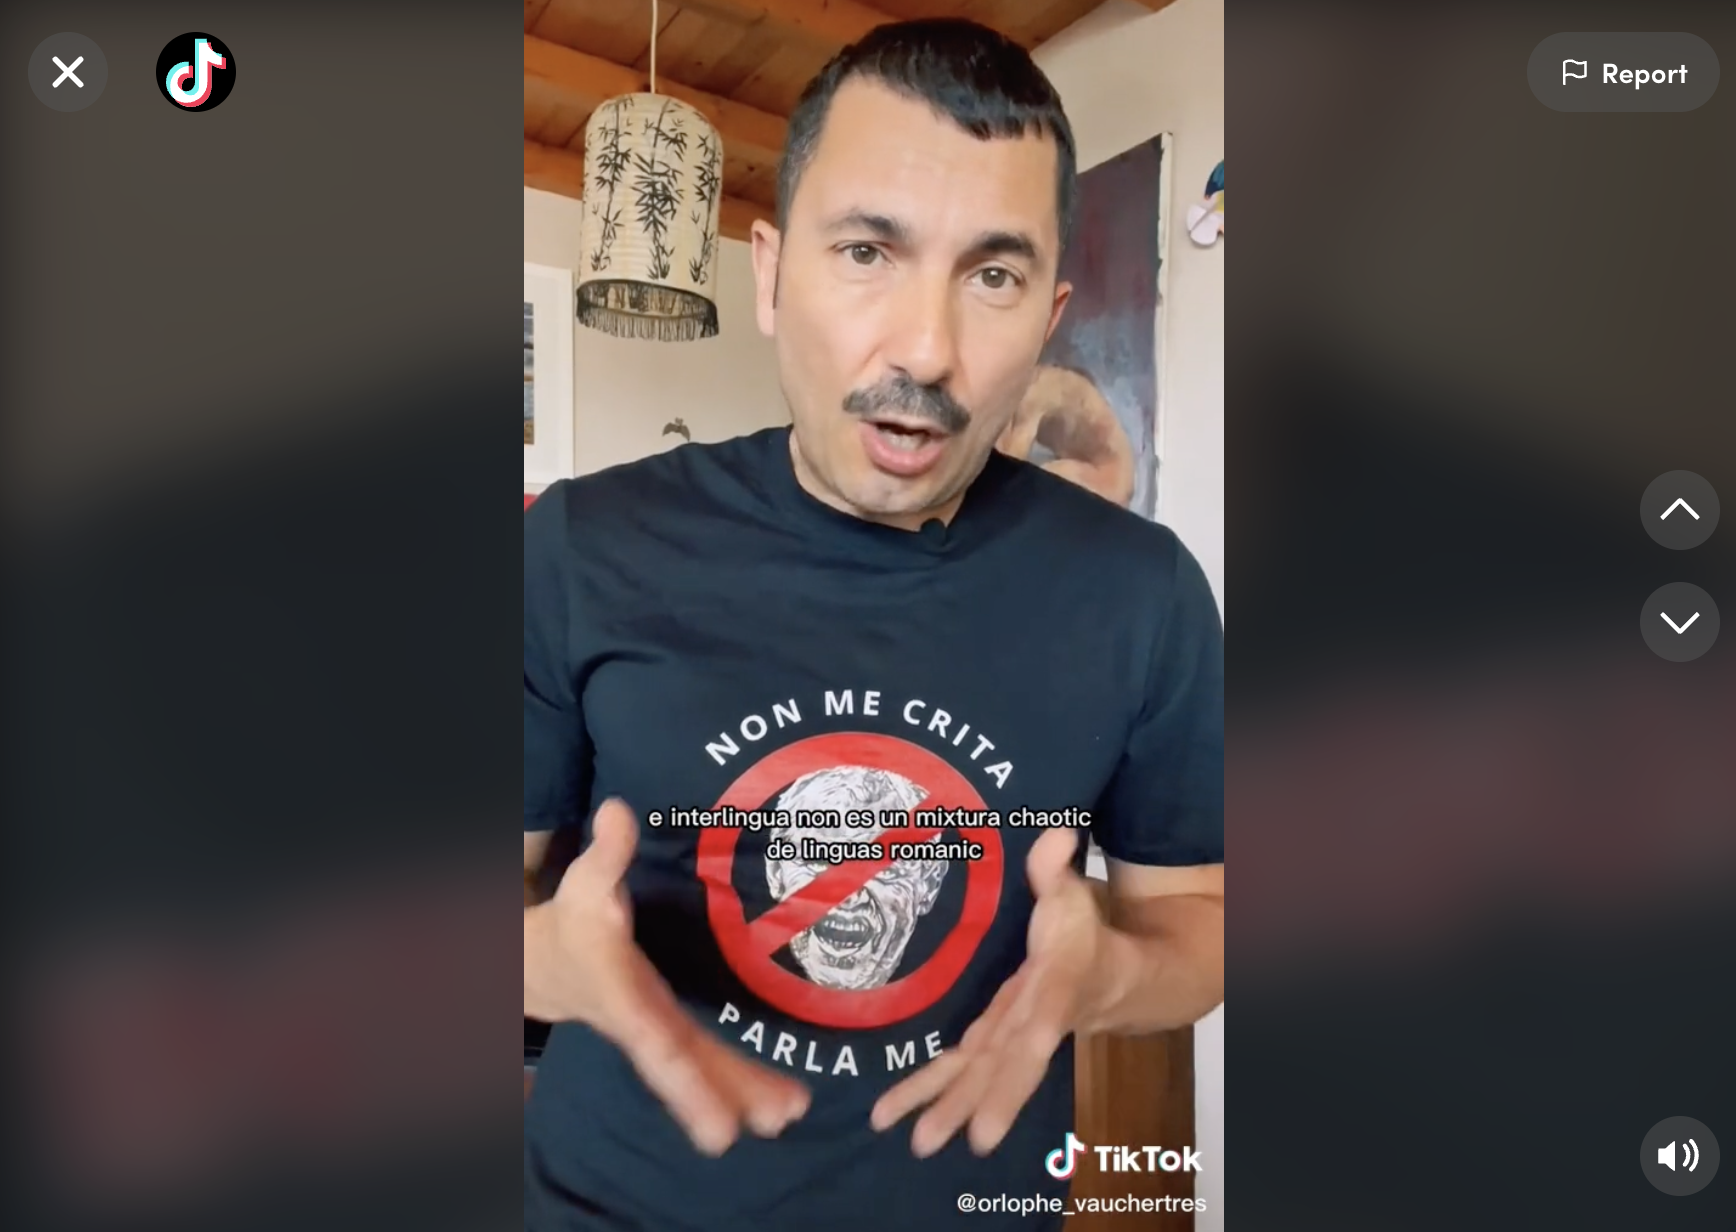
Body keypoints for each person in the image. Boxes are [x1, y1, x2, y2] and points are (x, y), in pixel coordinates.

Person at [523, 18, 1223, 1232]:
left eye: (992, 276)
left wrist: (1109, 973)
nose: (926, 349)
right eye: (865, 250)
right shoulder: (577, 546)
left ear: (1048, 313)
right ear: (768, 273)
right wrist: (547, 966)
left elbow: (1196, 921)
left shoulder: (1141, 591)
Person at [995, 363, 1137, 507]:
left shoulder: (1031, 397)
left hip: (1110, 477)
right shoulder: (1028, 388)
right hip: (1116, 472)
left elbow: (1010, 469)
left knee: (1013, 490)